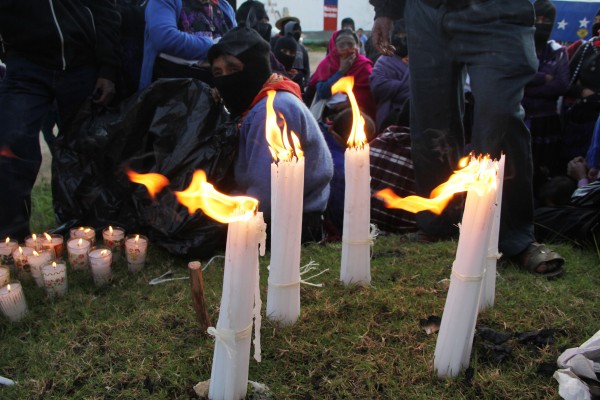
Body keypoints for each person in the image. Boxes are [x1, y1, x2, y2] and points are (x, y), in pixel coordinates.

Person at [370, 0, 565, 276]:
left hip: (497, 12)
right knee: (430, 123)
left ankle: (513, 237)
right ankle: (437, 226)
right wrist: (386, 10)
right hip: (426, 10)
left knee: (500, 119)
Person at [0, 0, 121, 241]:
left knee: (88, 146)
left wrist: (109, 69)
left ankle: (90, 228)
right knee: (10, 143)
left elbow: (106, 8)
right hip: (24, 64)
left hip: (82, 63)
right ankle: (10, 239)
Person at [208, 26, 333, 241]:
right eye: (218, 73)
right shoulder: (266, 100)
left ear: (254, 68)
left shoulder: (272, 111)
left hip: (291, 227)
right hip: (285, 216)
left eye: (233, 69)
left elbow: (265, 196)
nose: (225, 80)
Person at [523, 0, 569, 194]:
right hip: (520, 118)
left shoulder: (559, 51)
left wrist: (529, 84)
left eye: (546, 19)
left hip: (546, 122)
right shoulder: (521, 47)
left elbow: (561, 85)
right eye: (538, 18)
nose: (541, 23)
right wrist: (543, 78)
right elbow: (515, 78)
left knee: (543, 171)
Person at [139, 0, 236, 91]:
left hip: (219, 92)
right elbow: (164, 37)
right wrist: (215, 48)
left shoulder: (224, 6)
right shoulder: (164, 1)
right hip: (173, 94)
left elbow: (237, 43)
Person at [307, 29, 376, 122]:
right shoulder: (327, 64)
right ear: (334, 47)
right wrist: (341, 71)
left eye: (350, 44)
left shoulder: (364, 66)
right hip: (329, 119)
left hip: (359, 119)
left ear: (357, 46)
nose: (347, 48)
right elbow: (322, 92)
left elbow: (369, 97)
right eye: (341, 45)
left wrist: (349, 104)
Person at [369, 19, 410, 133]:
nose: (402, 39)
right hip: (390, 119)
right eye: (398, 35)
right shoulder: (384, 61)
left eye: (406, 36)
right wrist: (407, 86)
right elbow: (377, 87)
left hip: (419, 118)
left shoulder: (422, 59)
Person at [234, 0, 288, 76]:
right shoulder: (234, 49)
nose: (267, 26)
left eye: (266, 22)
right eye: (262, 22)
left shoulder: (265, 50)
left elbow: (281, 71)